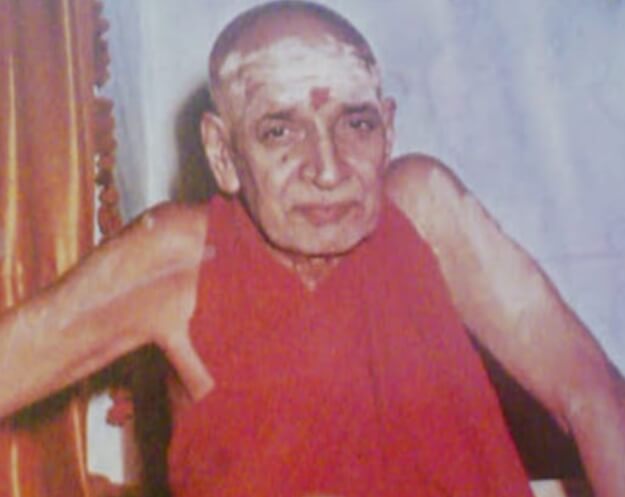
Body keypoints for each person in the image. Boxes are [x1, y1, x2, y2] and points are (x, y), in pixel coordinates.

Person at [0, 1, 623, 495]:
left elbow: (591, 394)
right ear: (222, 153)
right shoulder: (178, 260)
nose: (328, 170)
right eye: (280, 131)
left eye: (356, 124)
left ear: (389, 130)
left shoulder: (424, 212)